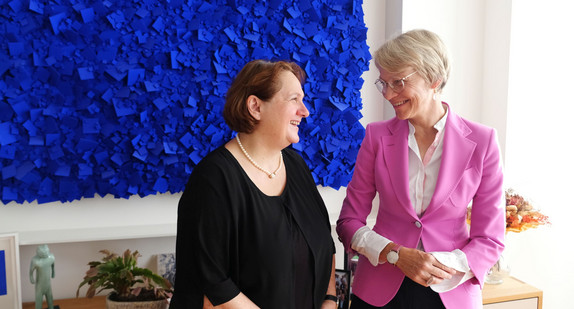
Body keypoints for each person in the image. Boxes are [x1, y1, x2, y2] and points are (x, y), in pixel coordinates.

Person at [336, 29, 505, 309]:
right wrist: (396, 255)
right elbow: (348, 223)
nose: (388, 94)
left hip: (451, 292)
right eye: (384, 83)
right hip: (378, 292)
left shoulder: (483, 141)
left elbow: (490, 239)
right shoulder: (376, 137)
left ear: (433, 79)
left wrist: (436, 265)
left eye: (398, 82)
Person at [170, 59, 337, 309]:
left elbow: (325, 243)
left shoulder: (295, 165)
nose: (305, 111)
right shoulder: (213, 179)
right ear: (256, 107)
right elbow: (213, 286)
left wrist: (330, 300)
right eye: (294, 99)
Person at [29, 244, 55, 309]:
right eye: (43, 252)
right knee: (38, 302)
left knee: (50, 300)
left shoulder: (51, 257)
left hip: (48, 284)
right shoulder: (35, 260)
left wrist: (53, 273)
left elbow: (53, 266)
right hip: (39, 285)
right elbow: (31, 271)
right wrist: (31, 278)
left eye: (46, 251)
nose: (45, 253)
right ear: (38, 252)